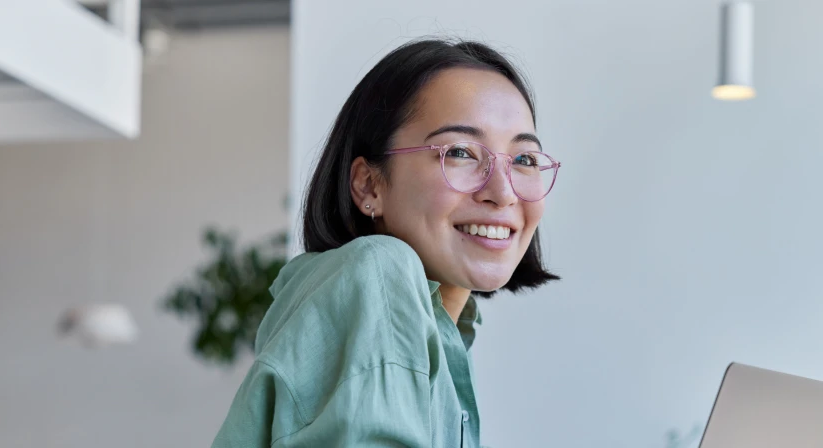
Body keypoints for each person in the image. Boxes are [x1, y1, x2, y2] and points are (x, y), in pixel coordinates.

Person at [212, 38, 561, 448]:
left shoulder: (431, 325)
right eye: (461, 152)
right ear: (369, 184)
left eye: (524, 159)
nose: (502, 192)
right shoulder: (379, 272)